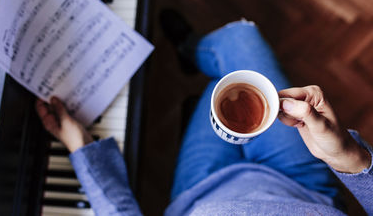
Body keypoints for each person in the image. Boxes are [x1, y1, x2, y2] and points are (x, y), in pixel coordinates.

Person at [36, 17, 372, 215]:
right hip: (303, 185)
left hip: (203, 188)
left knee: (221, 85)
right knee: (241, 37)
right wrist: (349, 158)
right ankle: (190, 49)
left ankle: (192, 52)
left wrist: (83, 148)